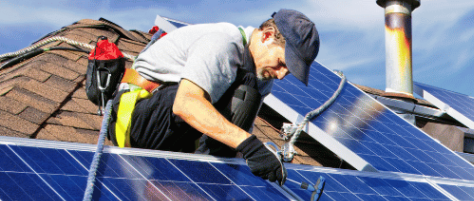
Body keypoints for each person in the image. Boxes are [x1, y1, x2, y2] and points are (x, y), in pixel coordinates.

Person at [108, 9, 320, 185]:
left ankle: (206, 187)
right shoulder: (223, 43)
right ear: (266, 36)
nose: (282, 75)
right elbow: (185, 104)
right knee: (219, 102)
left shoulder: (261, 78)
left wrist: (253, 179)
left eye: (288, 71)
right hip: (136, 118)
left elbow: (239, 135)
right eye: (282, 63)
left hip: (174, 132)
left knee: (247, 96)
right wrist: (250, 146)